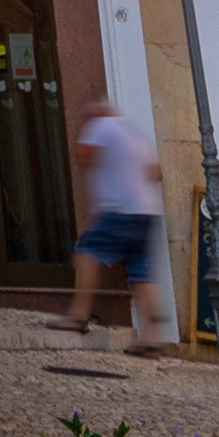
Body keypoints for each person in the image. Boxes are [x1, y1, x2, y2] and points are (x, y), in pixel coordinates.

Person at [68, 93, 165, 340]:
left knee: (86, 250)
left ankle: (79, 315)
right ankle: (153, 337)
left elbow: (84, 157)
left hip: (121, 211)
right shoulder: (135, 135)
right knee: (140, 273)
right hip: (147, 213)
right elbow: (156, 174)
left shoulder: (101, 125)